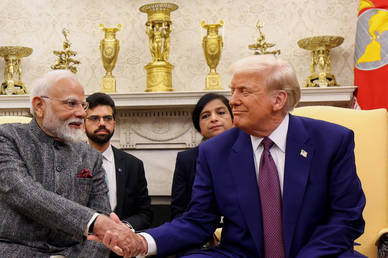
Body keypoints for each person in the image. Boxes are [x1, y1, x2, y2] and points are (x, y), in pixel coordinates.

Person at [102, 55, 366, 257]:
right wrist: (141, 241)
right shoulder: (214, 151)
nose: (233, 101)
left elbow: (346, 219)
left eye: (244, 91)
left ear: (278, 100)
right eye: (233, 91)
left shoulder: (332, 141)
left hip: (316, 252)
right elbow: (197, 221)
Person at [0, 70, 140, 258]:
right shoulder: (3, 137)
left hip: (72, 253)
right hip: (4, 249)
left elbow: (99, 232)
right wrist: (93, 221)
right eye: (71, 103)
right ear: (39, 106)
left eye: (83, 105)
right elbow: (24, 192)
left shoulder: (91, 156)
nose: (82, 113)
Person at [83, 92, 153, 257]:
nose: (102, 123)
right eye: (94, 118)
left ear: (114, 122)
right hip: (83, 246)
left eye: (107, 118)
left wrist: (123, 228)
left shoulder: (133, 165)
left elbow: (145, 213)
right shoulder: (71, 161)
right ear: (82, 124)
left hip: (122, 249)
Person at [171, 93, 234, 221]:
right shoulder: (186, 159)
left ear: (233, 119)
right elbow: (178, 211)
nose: (214, 119)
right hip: (200, 234)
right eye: (205, 116)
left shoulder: (249, 152)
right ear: (199, 127)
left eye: (221, 113)